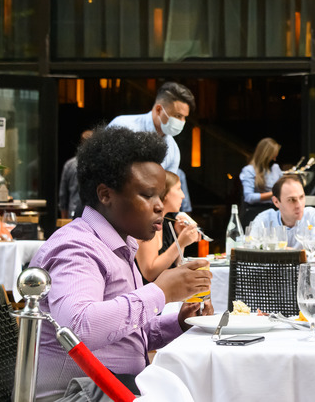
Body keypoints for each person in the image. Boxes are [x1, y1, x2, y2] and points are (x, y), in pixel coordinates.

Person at [30, 126, 212, 401]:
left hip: (117, 388)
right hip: (76, 396)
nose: (160, 206)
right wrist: (160, 292)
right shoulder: (77, 247)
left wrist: (179, 322)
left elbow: (128, 336)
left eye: (160, 196)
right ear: (106, 195)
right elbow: (79, 328)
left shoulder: (119, 245)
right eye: (147, 195)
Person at [108, 82, 195, 174]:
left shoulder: (173, 149)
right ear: (158, 110)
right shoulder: (123, 125)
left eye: (184, 117)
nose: (182, 121)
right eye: (177, 116)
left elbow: (168, 186)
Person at [135, 171, 201, 283]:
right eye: (179, 189)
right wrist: (180, 243)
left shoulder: (166, 221)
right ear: (164, 193)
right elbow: (149, 273)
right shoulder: (146, 223)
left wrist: (179, 237)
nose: (183, 195)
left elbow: (177, 264)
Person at [251, 175, 315, 255]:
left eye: (301, 197)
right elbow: (250, 250)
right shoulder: (264, 219)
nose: (299, 205)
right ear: (276, 202)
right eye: (291, 200)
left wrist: (286, 252)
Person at [59, 129, 93, 218]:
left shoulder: (70, 164)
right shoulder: (98, 164)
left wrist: (64, 218)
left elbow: (63, 195)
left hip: (73, 211)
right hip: (93, 212)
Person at [240, 137, 283, 206]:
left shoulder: (275, 168)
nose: (274, 160)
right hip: (257, 209)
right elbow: (249, 197)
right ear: (265, 156)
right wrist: (274, 193)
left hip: (275, 209)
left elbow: (282, 187)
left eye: (275, 157)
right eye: (273, 157)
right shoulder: (249, 170)